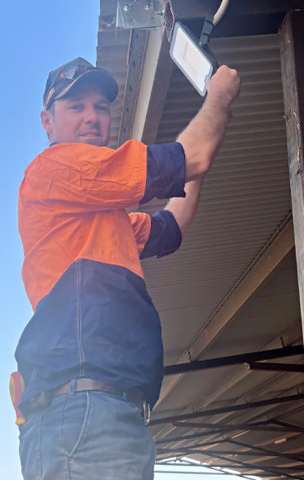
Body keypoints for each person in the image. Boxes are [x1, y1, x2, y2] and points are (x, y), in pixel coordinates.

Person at [14, 57, 241, 479]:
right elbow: (191, 158)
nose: (92, 117)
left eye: (101, 107)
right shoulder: (54, 168)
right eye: (76, 106)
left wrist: (192, 164)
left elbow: (170, 227)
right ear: (48, 120)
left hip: (105, 412)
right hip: (84, 412)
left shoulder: (103, 218)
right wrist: (219, 98)